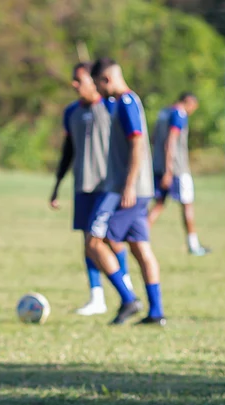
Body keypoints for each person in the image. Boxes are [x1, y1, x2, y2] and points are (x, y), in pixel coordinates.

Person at [50, 62, 134, 317]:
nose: (74, 85)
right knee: (89, 242)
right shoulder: (71, 112)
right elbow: (68, 151)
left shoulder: (111, 106)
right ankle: (97, 296)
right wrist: (57, 186)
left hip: (108, 186)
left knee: (106, 240)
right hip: (82, 186)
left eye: (79, 80)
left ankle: (126, 289)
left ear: (93, 81)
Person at [86, 58, 166, 325]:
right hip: (136, 189)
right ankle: (156, 312)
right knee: (140, 247)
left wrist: (129, 185)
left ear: (107, 80)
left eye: (98, 85)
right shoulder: (122, 102)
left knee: (94, 242)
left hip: (126, 189)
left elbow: (137, 144)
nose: (98, 91)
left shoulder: (127, 103)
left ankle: (128, 298)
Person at [148, 92, 210, 256]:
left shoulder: (163, 112)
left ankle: (140, 238)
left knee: (159, 204)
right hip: (176, 169)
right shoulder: (179, 114)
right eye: (193, 108)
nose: (191, 111)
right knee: (187, 204)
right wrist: (169, 170)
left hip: (158, 166)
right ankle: (193, 245)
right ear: (189, 102)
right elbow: (171, 141)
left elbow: (154, 138)